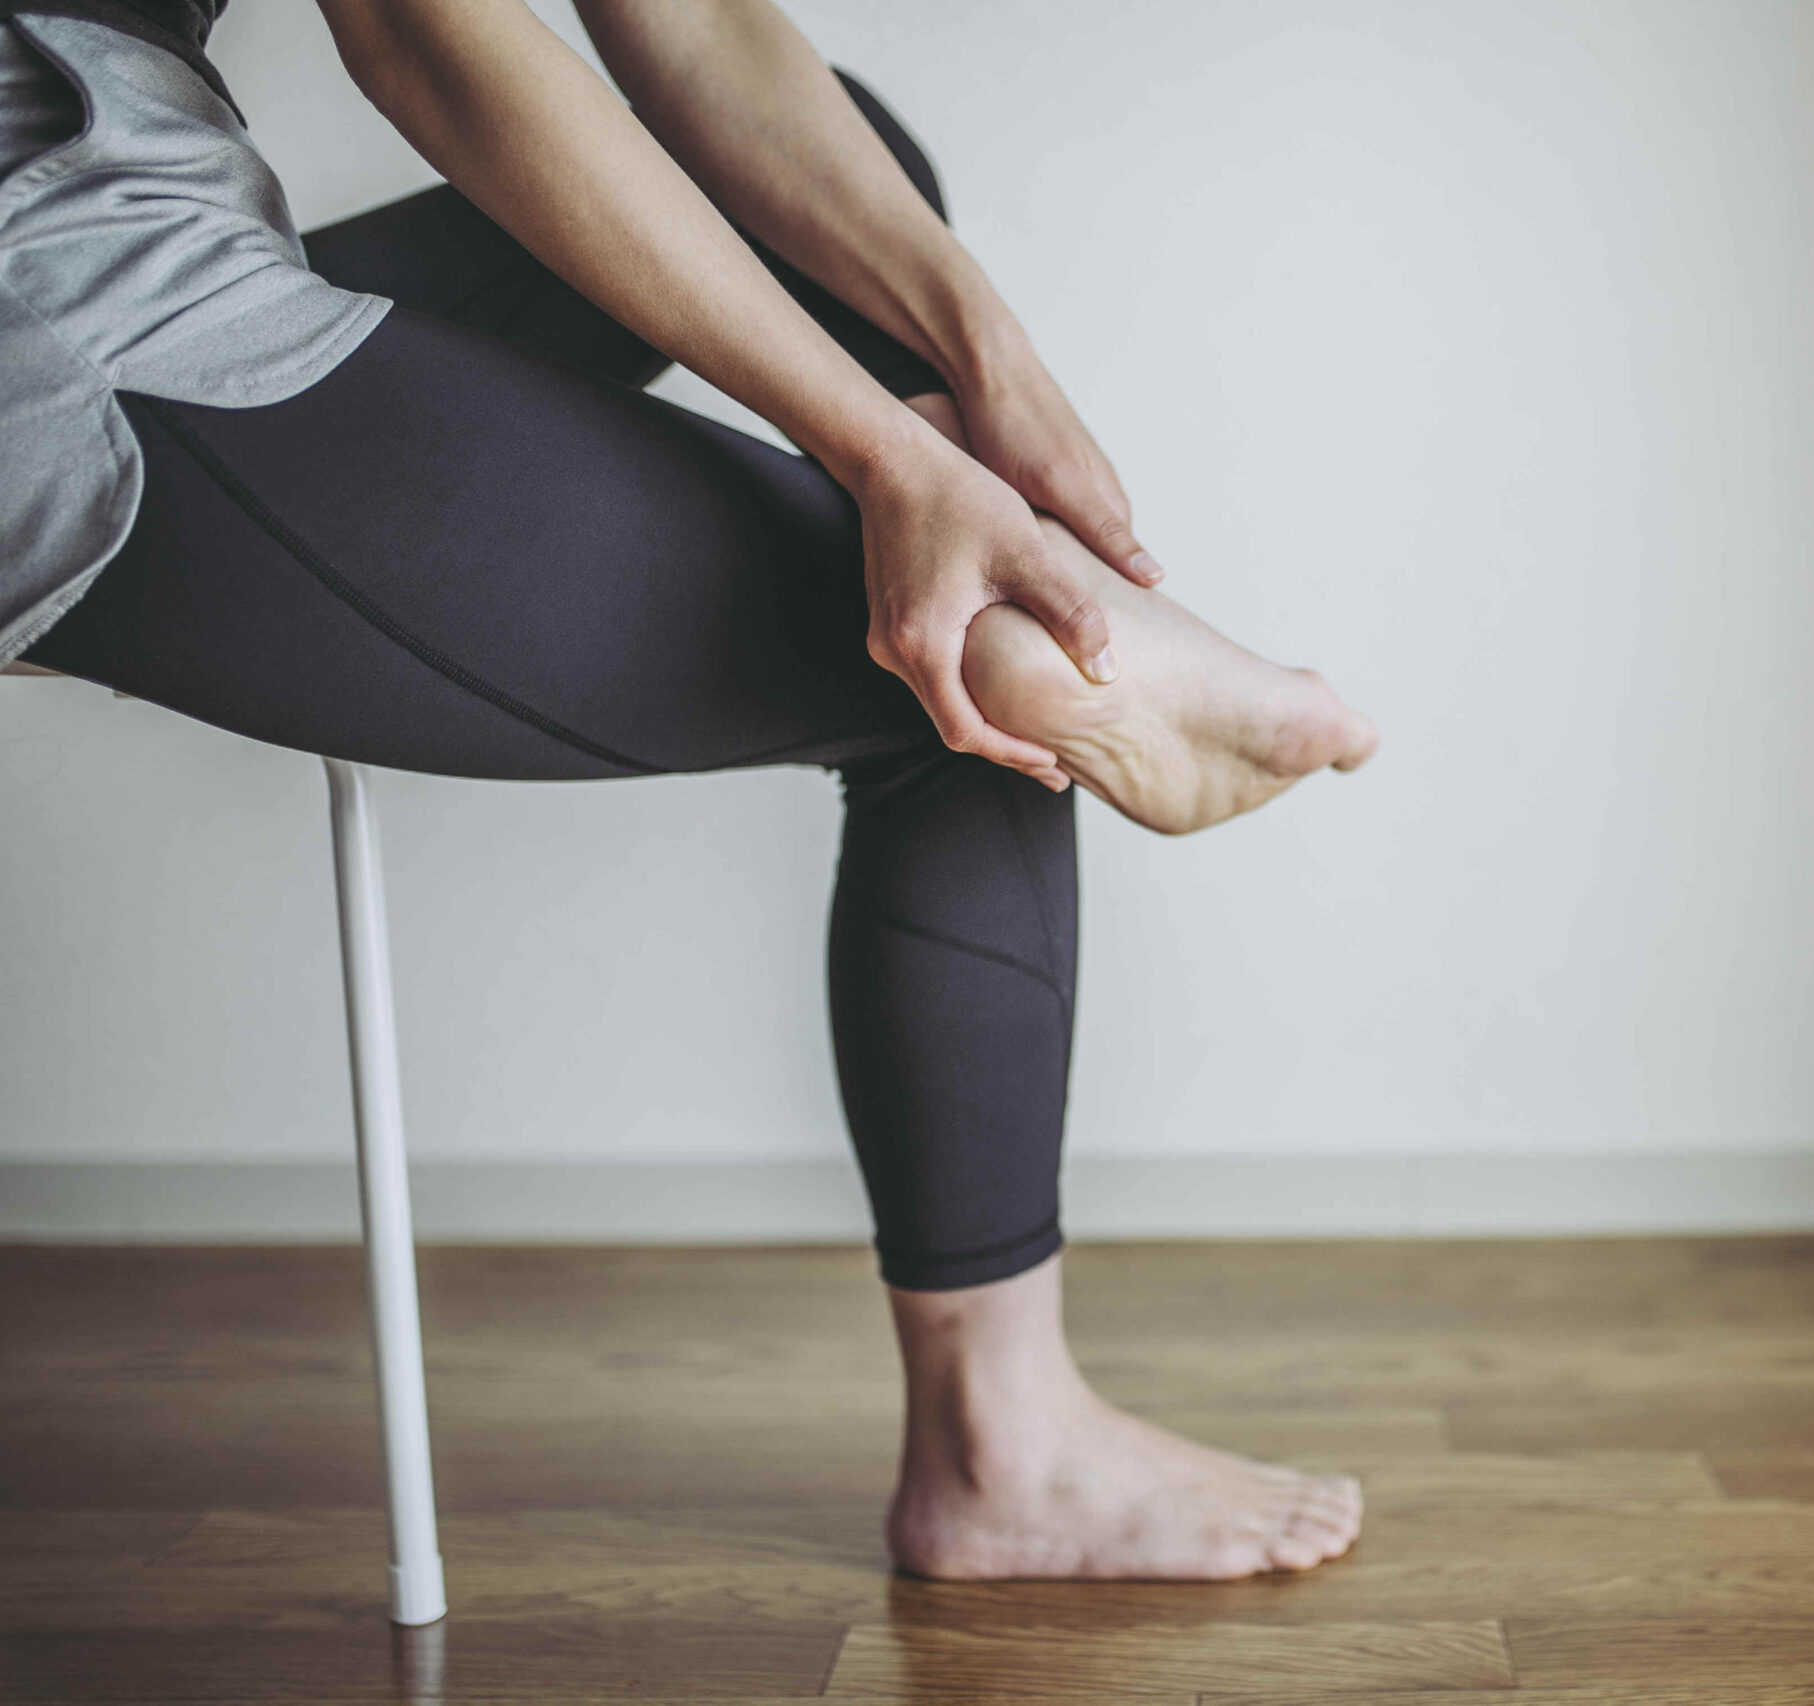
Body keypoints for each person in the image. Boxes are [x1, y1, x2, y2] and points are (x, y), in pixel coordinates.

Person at [0, 0, 1377, 1579]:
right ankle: (1009, 1448)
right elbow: (422, 33)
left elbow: (700, 26)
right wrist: (889, 462)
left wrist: (992, 367)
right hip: (55, 314)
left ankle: (1026, 609)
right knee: (943, 679)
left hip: (148, 218)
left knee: (862, 191)